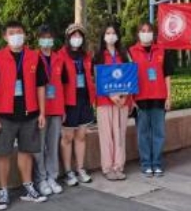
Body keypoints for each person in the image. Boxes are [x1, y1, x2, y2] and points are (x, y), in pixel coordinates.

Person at [0, 20, 48, 211]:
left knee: (26, 151)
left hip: (29, 113)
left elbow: (41, 86)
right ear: (5, 37)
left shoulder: (34, 56)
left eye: (19, 32)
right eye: (12, 32)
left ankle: (28, 187)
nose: (16, 35)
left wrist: (42, 112)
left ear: (25, 34)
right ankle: (3, 191)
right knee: (2, 153)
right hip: (5, 114)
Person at [128, 22, 173, 178]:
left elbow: (167, 75)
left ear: (153, 34)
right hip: (140, 99)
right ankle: (146, 164)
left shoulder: (162, 50)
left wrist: (169, 97)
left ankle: (157, 163)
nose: (146, 33)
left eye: (149, 30)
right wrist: (131, 99)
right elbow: (128, 77)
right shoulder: (131, 52)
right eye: (143, 30)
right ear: (138, 33)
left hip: (159, 97)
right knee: (143, 134)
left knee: (159, 133)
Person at [60, 23, 95, 186]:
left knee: (81, 136)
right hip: (69, 102)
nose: (77, 38)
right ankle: (68, 172)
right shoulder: (60, 56)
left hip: (84, 100)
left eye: (80, 35)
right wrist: (61, 107)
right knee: (67, 137)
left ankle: (80, 169)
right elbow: (58, 83)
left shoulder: (86, 56)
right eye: (74, 35)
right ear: (68, 38)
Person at [94, 23, 130, 181]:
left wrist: (125, 97)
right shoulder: (98, 56)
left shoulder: (124, 54)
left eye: (113, 33)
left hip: (122, 101)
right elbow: (97, 78)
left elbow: (130, 76)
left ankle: (118, 166)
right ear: (103, 36)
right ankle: (108, 168)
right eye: (107, 33)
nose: (111, 36)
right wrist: (110, 95)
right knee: (106, 136)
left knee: (119, 135)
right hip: (104, 101)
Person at [35, 24, 65, 196]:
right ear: (38, 40)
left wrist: (63, 109)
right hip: (40, 110)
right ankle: (41, 179)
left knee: (53, 145)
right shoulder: (33, 58)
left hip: (56, 108)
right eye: (43, 38)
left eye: (49, 37)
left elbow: (63, 85)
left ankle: (52, 176)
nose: (46, 41)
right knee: (39, 146)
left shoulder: (59, 59)